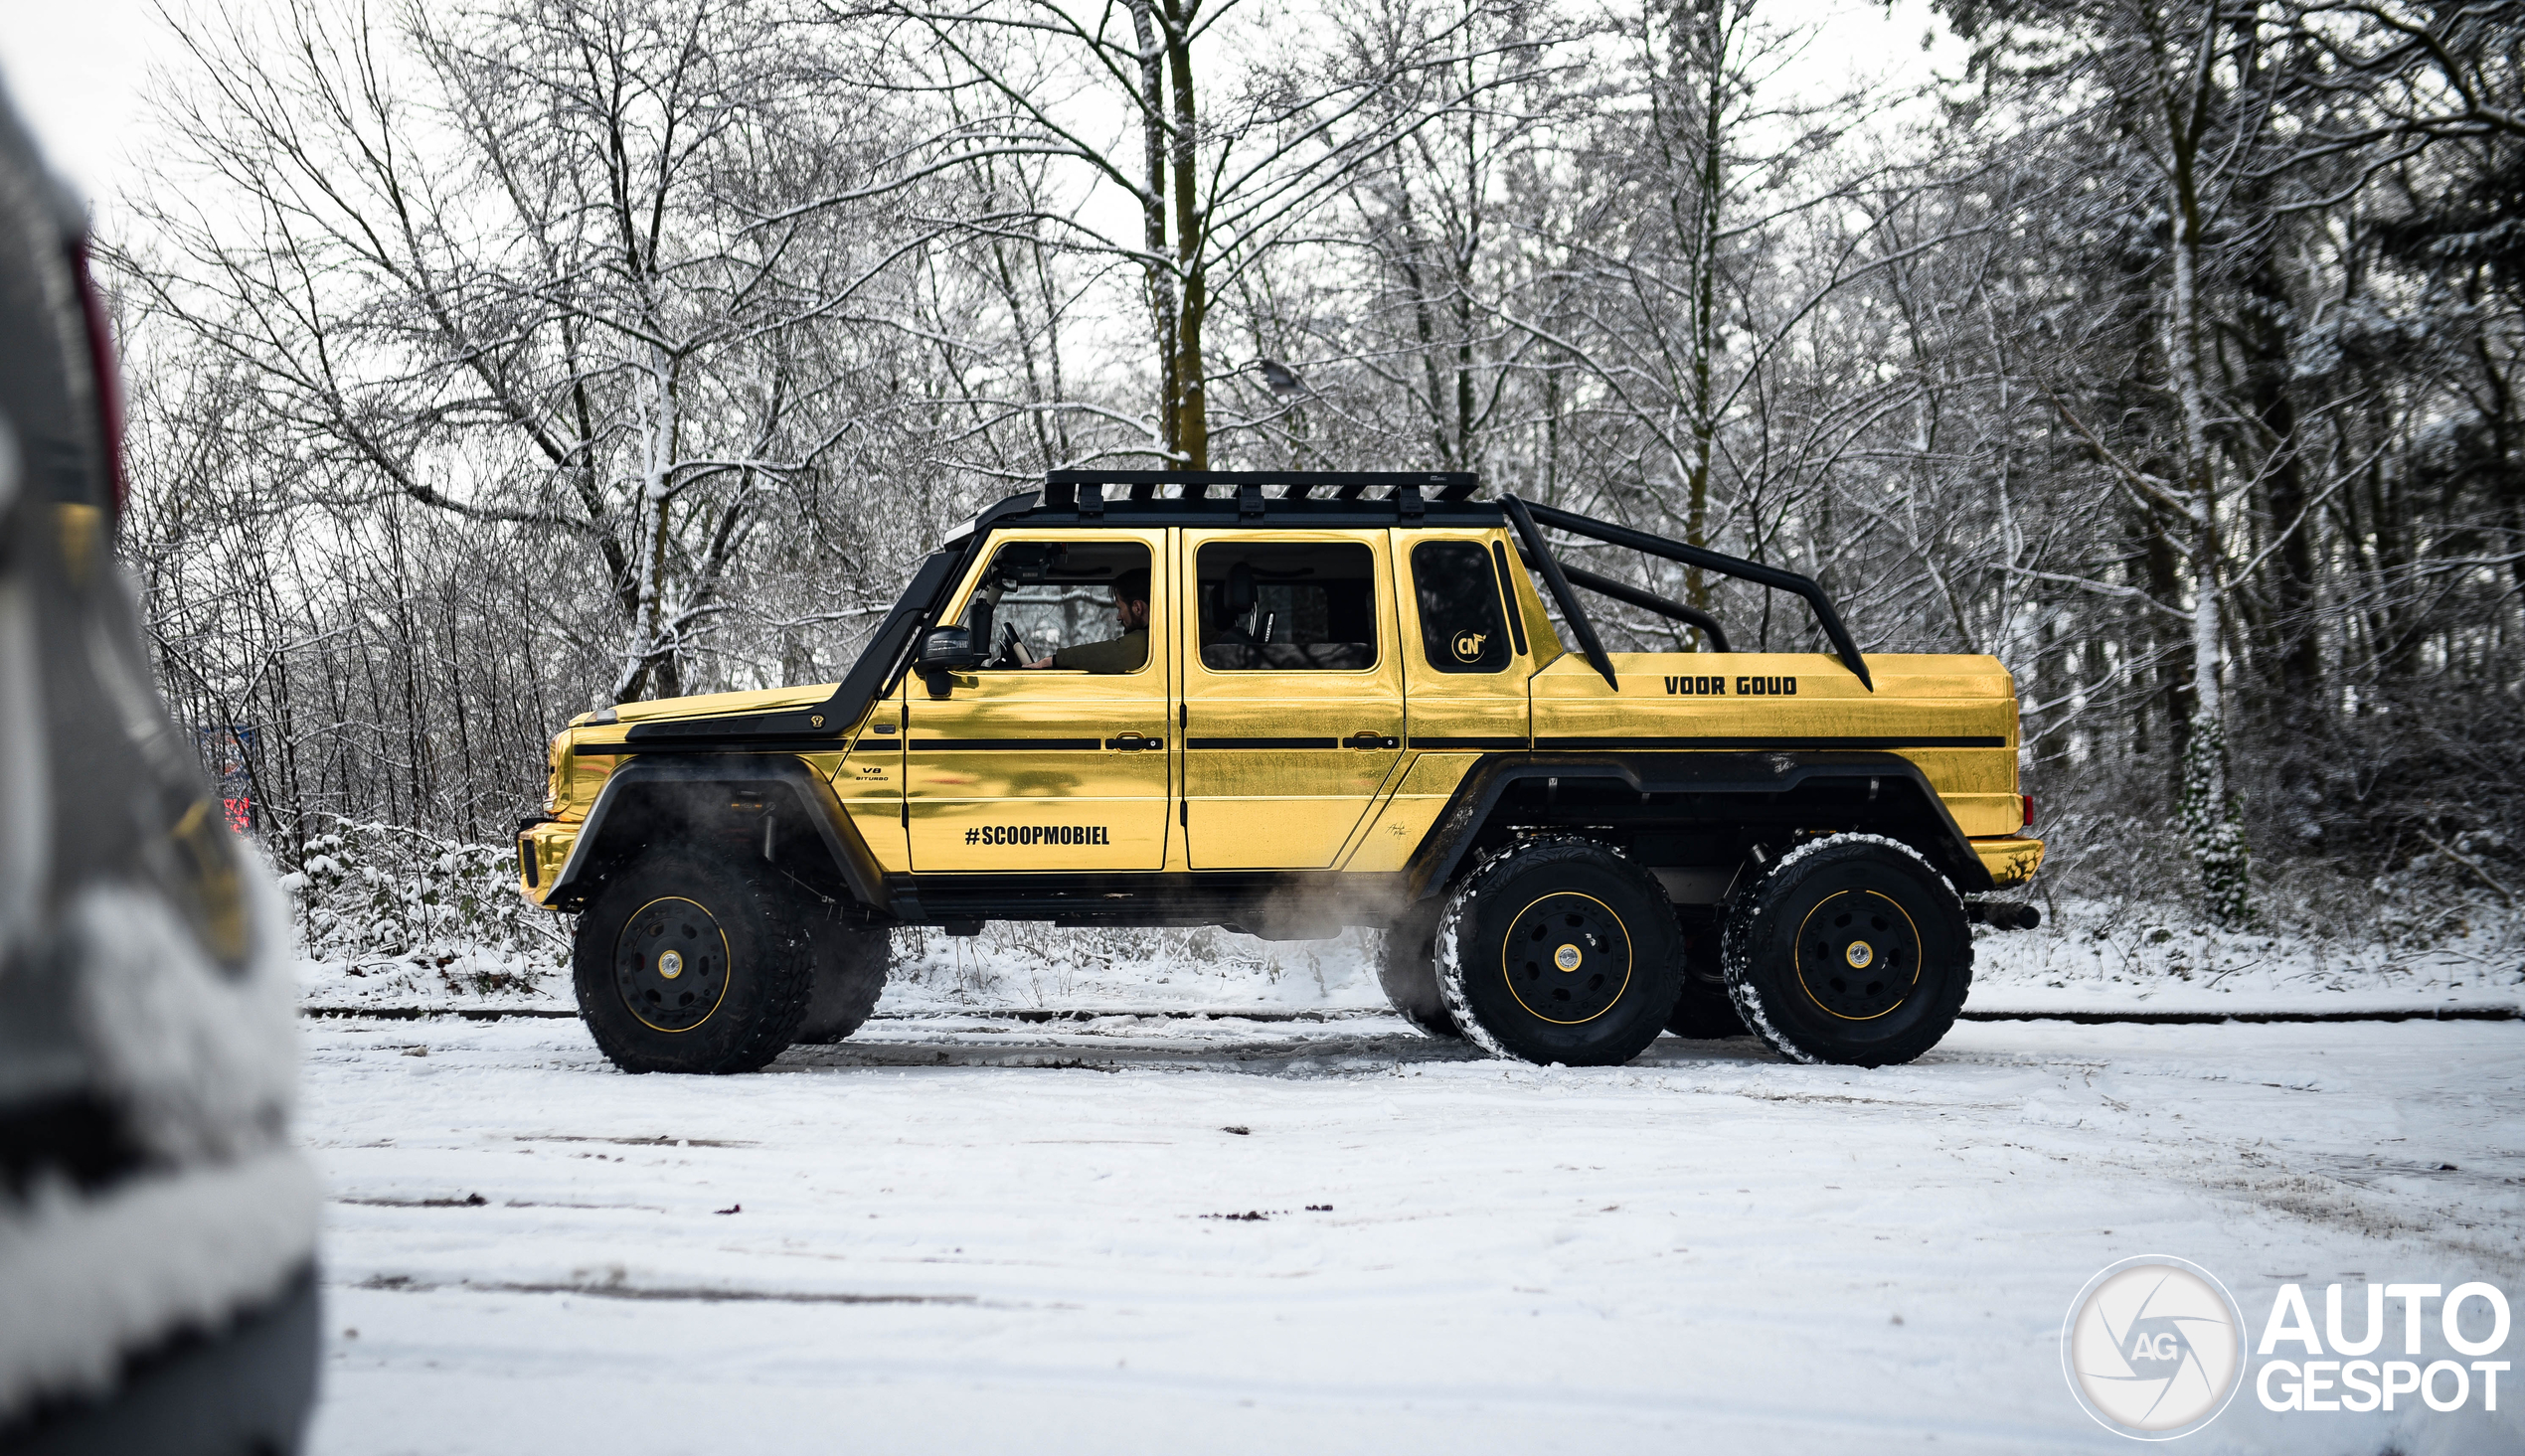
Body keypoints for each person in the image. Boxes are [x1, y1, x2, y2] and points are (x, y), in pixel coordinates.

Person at [1025, 568, 1149, 672]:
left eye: (1120, 609)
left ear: (1137, 608)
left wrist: (1052, 661)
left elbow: (1116, 654)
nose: (1118, 617)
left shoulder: (1149, 640)